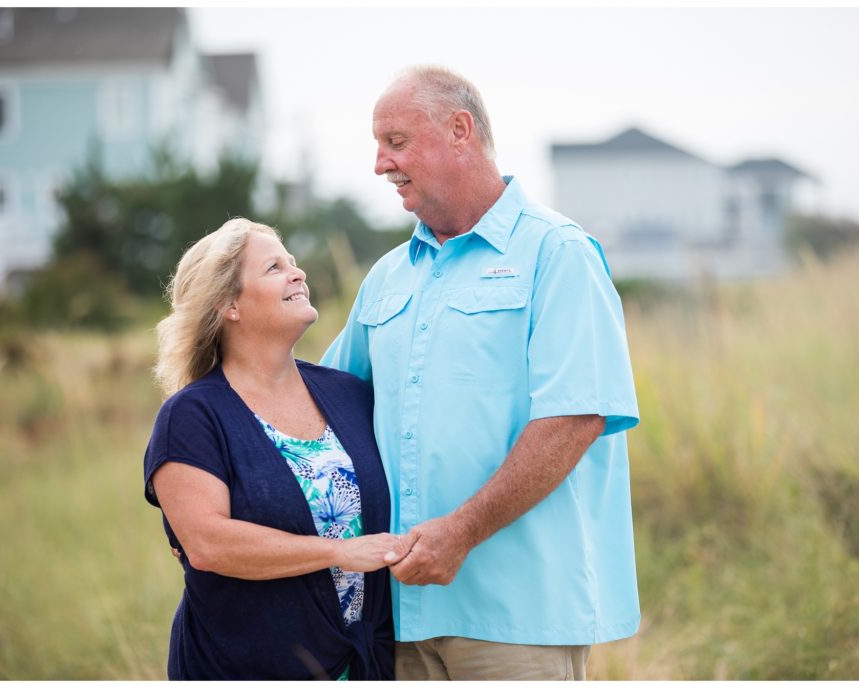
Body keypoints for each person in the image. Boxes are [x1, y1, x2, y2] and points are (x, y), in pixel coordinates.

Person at [321, 66, 642, 680]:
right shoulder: (389, 277)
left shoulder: (558, 253)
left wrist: (461, 532)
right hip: (399, 616)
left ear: (460, 131)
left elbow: (575, 418)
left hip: (518, 619)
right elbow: (326, 404)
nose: (380, 164)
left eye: (395, 141)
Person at [142, 218, 411, 680]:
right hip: (246, 665)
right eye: (274, 267)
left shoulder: (349, 394)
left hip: (363, 666)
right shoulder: (192, 416)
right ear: (229, 305)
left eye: (293, 262)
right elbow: (207, 544)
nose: (298, 272)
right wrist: (339, 551)